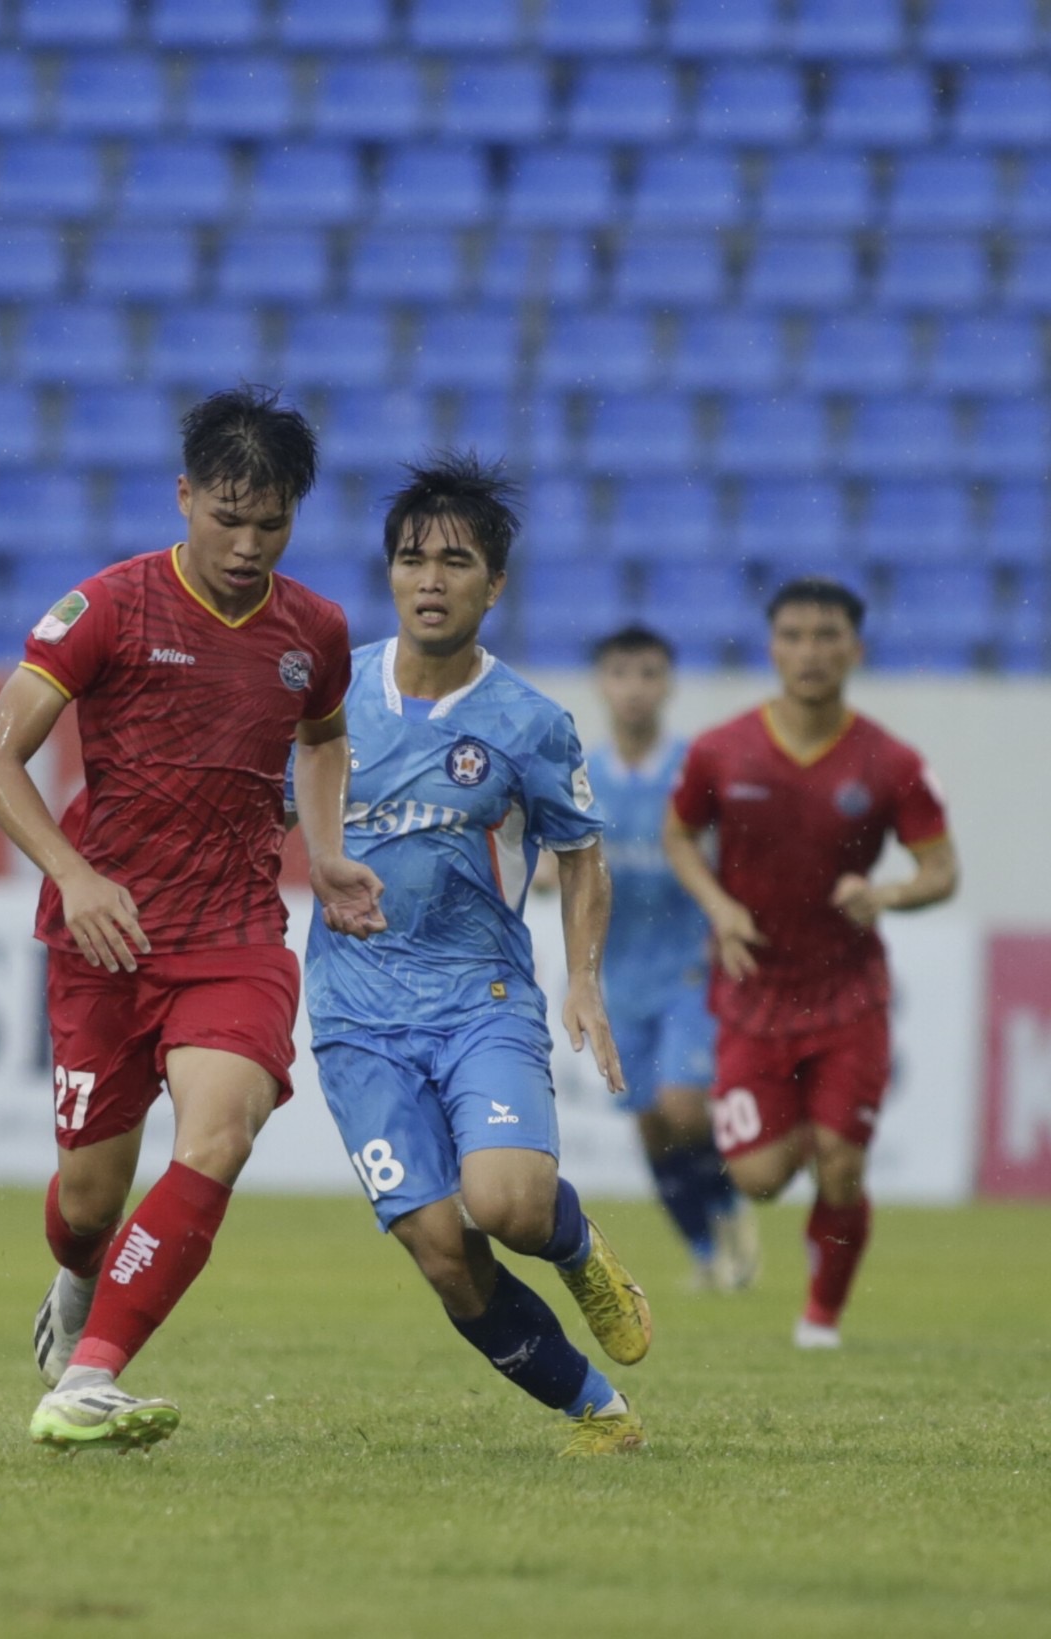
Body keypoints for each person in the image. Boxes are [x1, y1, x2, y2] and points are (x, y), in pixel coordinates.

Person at [0, 386, 385, 1453]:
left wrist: (325, 851)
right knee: (89, 1201)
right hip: (104, 939)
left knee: (222, 1130)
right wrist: (77, 873)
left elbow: (324, 737)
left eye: (272, 524)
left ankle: (92, 1376)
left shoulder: (315, 631)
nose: (248, 546)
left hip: (235, 933)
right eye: (227, 518)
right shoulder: (104, 607)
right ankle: (75, 1282)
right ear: (185, 494)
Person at [305, 452, 653, 1457]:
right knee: (443, 1254)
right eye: (412, 558)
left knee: (505, 1204)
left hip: (478, 997)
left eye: (455, 561)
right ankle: (597, 1411)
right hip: (354, 1012)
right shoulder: (328, 702)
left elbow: (584, 858)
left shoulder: (529, 724)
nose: (430, 578)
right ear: (389, 574)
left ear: (493, 585)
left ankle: (575, 1244)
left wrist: (583, 980)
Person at [662, 578, 959, 1349]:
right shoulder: (720, 749)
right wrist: (720, 907)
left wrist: (887, 893)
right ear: (773, 647)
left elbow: (942, 871)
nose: (810, 651)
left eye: (828, 636)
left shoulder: (890, 762)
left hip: (848, 995)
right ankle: (812, 1142)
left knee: (842, 1167)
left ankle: (821, 1314)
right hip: (751, 992)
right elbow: (677, 837)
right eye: (794, 635)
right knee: (759, 1179)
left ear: (855, 649)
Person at [585, 625, 758, 1292]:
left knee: (685, 1106)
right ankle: (705, 1251)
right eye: (622, 672)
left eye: (649, 673)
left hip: (691, 969)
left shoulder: (698, 769)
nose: (635, 687)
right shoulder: (584, 775)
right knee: (652, 1125)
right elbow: (557, 858)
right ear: (603, 683)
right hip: (618, 977)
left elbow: (740, 852)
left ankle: (727, 1210)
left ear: (668, 684)